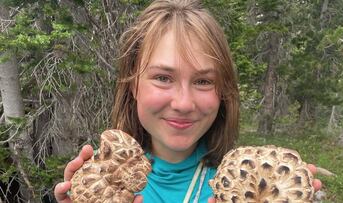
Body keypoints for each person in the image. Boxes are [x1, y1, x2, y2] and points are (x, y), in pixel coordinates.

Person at [54, 0, 322, 202]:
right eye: (162, 77)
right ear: (133, 84)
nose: (183, 103)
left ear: (223, 91)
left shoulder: (247, 184)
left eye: (203, 81)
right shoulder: (99, 180)